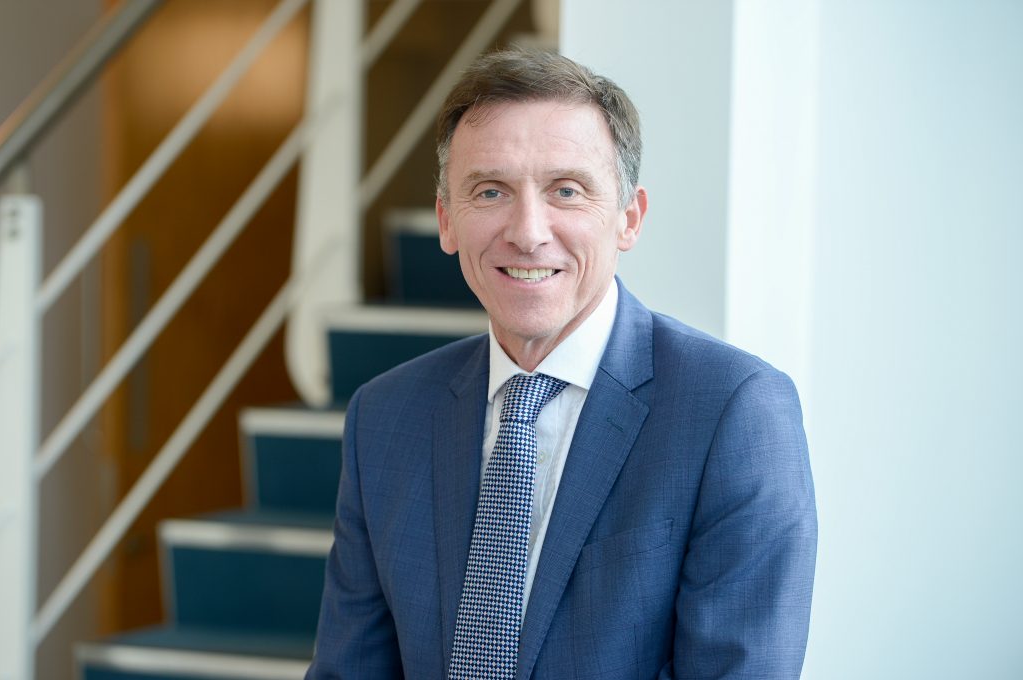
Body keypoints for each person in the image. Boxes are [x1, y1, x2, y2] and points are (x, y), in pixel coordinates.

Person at [306, 49, 816, 679]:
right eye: (490, 190)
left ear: (628, 219)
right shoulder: (384, 417)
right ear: (446, 221)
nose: (528, 231)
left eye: (566, 191)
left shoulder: (734, 412)